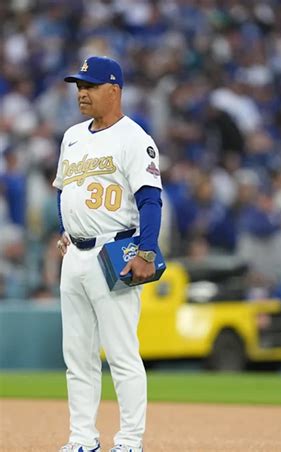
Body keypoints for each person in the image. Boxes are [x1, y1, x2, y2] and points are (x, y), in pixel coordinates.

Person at [54, 56, 163, 452]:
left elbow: (150, 200)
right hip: (75, 255)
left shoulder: (134, 138)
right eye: (79, 86)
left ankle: (130, 441)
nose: (81, 93)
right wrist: (64, 227)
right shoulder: (72, 136)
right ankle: (82, 439)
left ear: (114, 90)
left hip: (114, 251)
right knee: (77, 358)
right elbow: (64, 191)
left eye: (90, 86)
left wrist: (146, 251)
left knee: (121, 355)